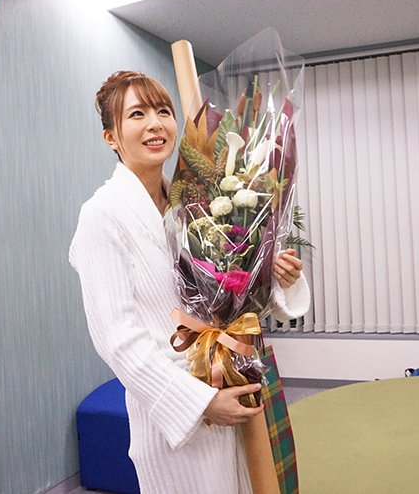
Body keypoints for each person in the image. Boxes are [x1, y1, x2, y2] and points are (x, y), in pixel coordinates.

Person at [68, 71, 310, 493]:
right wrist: (200, 404)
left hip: (232, 378)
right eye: (137, 114)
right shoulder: (101, 214)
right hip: (176, 411)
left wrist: (275, 278)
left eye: (163, 111)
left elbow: (225, 294)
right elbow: (117, 339)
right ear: (111, 136)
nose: (155, 124)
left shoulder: (195, 202)